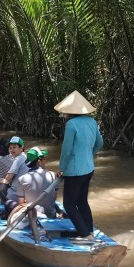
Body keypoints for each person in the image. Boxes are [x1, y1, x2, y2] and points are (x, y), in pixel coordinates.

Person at [54, 90, 103, 241]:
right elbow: (99, 143)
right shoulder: (92, 121)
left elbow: (67, 150)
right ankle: (89, 231)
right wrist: (89, 154)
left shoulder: (71, 124)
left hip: (74, 171)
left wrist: (61, 168)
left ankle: (85, 234)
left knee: (69, 204)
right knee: (82, 201)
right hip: (89, 169)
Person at [5, 147, 57, 218]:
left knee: (8, 203)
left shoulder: (22, 179)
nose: (45, 161)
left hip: (32, 215)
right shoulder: (52, 175)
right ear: (39, 161)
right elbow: (54, 198)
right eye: (43, 159)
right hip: (50, 214)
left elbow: (21, 204)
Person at [0, 136, 28, 218]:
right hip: (26, 192)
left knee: (0, 184)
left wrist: (5, 180)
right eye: (10, 148)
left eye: (14, 147)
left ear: (21, 148)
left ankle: (7, 208)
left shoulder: (19, 159)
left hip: (16, 193)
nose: (12, 150)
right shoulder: (25, 157)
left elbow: (10, 175)